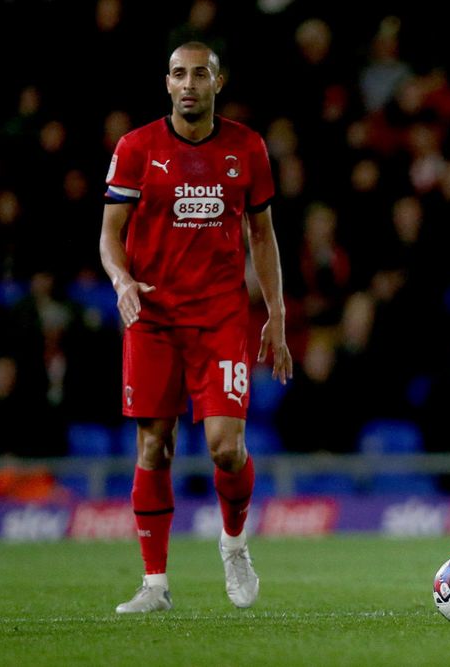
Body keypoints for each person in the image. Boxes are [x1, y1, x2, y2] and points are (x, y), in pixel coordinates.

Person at [99, 42, 292, 613]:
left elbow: (262, 236)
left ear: (217, 82)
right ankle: (154, 586)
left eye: (199, 75)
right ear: (167, 84)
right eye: (179, 75)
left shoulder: (246, 148)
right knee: (154, 445)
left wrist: (276, 316)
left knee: (225, 447)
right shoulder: (136, 149)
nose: (189, 84)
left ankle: (234, 546)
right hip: (153, 316)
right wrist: (122, 281)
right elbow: (110, 235)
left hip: (220, 317)